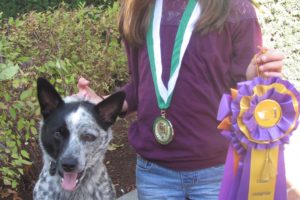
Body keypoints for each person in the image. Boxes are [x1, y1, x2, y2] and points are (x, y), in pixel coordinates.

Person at [77, 0, 284, 199]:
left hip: (216, 171)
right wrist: (102, 104)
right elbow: (140, 86)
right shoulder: (138, 8)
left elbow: (247, 95)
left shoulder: (235, 9)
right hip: (154, 173)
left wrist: (253, 80)